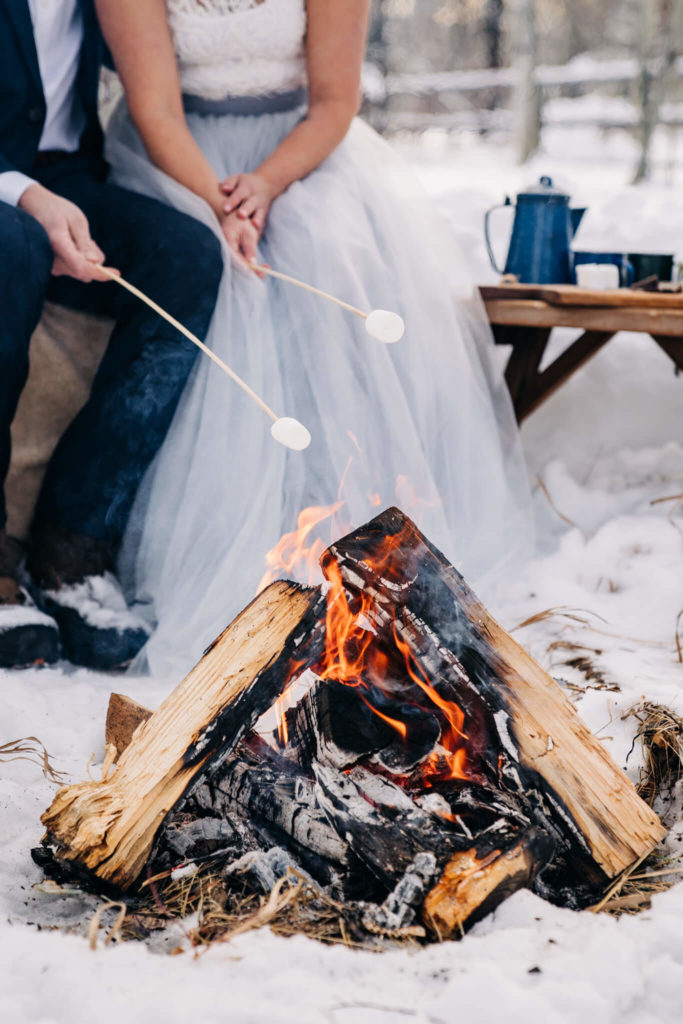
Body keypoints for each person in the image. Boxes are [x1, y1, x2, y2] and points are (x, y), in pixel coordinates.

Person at [98, 0, 533, 678]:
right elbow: (155, 111)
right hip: (175, 155)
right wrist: (221, 208)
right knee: (201, 261)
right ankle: (215, 546)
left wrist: (265, 187)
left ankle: (348, 535)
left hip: (301, 153)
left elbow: (334, 101)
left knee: (323, 244)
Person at [0, 0, 224, 669]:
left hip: (70, 173)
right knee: (12, 248)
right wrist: (20, 194)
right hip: (12, 194)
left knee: (185, 255)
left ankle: (75, 547)